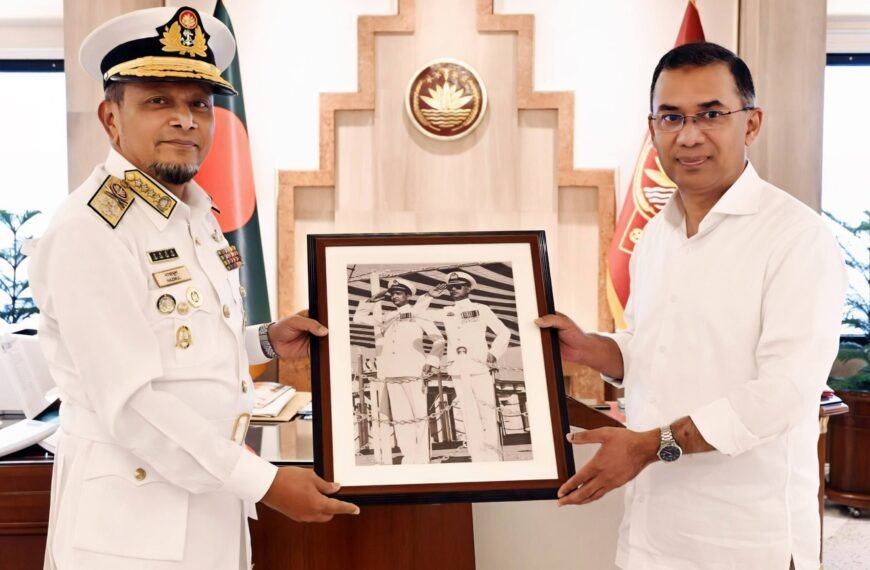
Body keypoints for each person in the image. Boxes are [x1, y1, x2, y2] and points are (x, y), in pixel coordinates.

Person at [28, 7, 357, 570]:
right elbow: (131, 402)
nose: (185, 119)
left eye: (198, 103)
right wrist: (267, 484)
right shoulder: (91, 228)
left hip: (205, 504)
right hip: (131, 532)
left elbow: (185, 338)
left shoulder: (192, 212)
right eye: (159, 100)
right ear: (111, 117)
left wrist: (269, 340)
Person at [537, 42, 847, 569]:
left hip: (746, 540)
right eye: (671, 116)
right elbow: (655, 349)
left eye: (711, 114)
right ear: (652, 126)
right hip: (653, 533)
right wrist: (592, 349)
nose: (689, 135)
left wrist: (644, 446)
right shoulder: (657, 234)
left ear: (751, 123)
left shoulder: (796, 237)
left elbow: (783, 394)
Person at [353, 277, 445, 464]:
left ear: (408, 295)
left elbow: (439, 340)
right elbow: (358, 318)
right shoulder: (386, 317)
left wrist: (432, 361)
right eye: (392, 294)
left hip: (414, 371)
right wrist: (372, 300)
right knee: (402, 417)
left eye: (398, 293)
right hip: (392, 373)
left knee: (419, 416)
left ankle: (422, 458)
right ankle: (410, 458)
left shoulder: (418, 313)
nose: (394, 297)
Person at [423, 271, 511, 462]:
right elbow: (416, 315)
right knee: (468, 413)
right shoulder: (446, 311)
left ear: (468, 288)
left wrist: (494, 352)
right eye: (451, 287)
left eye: (458, 286)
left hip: (479, 366)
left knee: (487, 411)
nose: (453, 290)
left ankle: (492, 456)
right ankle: (477, 456)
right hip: (457, 368)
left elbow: (504, 333)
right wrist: (429, 296)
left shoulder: (481, 309)